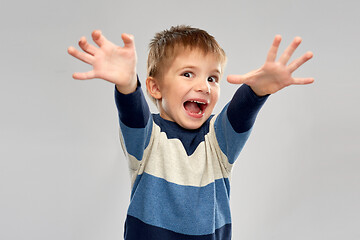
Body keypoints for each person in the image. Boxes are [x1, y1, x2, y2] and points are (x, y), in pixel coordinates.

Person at [68, 25, 313, 240]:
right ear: (155, 87)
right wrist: (127, 84)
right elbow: (133, 114)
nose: (203, 86)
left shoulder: (218, 143)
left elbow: (239, 113)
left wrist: (258, 90)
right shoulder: (147, 139)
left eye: (212, 78)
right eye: (188, 74)